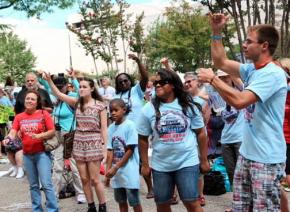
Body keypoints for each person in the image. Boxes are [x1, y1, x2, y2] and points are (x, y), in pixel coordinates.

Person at [197, 13, 287, 211]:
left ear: (264, 46)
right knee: (240, 207)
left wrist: (213, 80)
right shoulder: (252, 69)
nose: (244, 45)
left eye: (249, 41)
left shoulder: (272, 73)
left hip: (267, 158)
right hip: (248, 154)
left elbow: (240, 101)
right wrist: (216, 32)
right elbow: (220, 61)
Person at [138, 69, 210, 212]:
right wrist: (145, 164)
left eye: (162, 82)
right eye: (155, 83)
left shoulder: (188, 105)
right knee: (163, 204)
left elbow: (201, 133)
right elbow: (142, 138)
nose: (157, 85)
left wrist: (204, 160)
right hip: (161, 166)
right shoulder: (149, 108)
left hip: (187, 162)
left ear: (172, 85)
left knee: (191, 202)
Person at [44, 73, 107, 212]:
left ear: (92, 89)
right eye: (80, 87)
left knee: (95, 180)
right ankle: (91, 206)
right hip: (78, 142)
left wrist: (105, 148)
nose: (81, 89)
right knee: (84, 178)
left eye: (84, 87)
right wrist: (49, 80)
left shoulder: (100, 106)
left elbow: (104, 129)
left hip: (94, 142)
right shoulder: (76, 103)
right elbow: (59, 94)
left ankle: (102, 206)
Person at [2, 90, 58, 212]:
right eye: (28, 98)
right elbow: (13, 131)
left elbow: (52, 131)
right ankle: (37, 209)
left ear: (37, 102)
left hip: (42, 154)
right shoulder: (19, 117)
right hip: (27, 155)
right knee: (33, 186)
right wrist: (8, 138)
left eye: (33, 99)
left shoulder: (44, 114)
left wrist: (39, 136)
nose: (29, 101)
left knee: (46, 184)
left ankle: (52, 209)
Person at [114, 54, 153, 198]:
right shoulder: (116, 97)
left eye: (125, 80)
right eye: (120, 81)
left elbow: (145, 77)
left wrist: (138, 61)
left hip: (139, 132)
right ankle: (129, 186)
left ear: (129, 81)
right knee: (126, 161)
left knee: (143, 161)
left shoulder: (137, 90)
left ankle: (150, 188)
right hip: (123, 133)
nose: (123, 83)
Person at [47, 76, 86, 204]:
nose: (58, 89)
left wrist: (73, 78)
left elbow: (82, 92)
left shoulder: (73, 96)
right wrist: (45, 78)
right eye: (56, 87)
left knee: (75, 165)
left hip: (71, 135)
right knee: (57, 166)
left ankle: (81, 193)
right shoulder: (57, 100)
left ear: (66, 86)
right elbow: (48, 87)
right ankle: (54, 195)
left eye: (61, 87)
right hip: (58, 136)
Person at [105, 98, 142, 212]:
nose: (113, 113)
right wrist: (108, 171)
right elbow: (110, 151)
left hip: (129, 171)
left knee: (134, 202)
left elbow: (130, 150)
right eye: (111, 111)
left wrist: (115, 167)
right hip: (117, 174)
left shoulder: (130, 126)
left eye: (116, 110)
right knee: (121, 202)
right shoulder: (111, 128)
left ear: (124, 110)